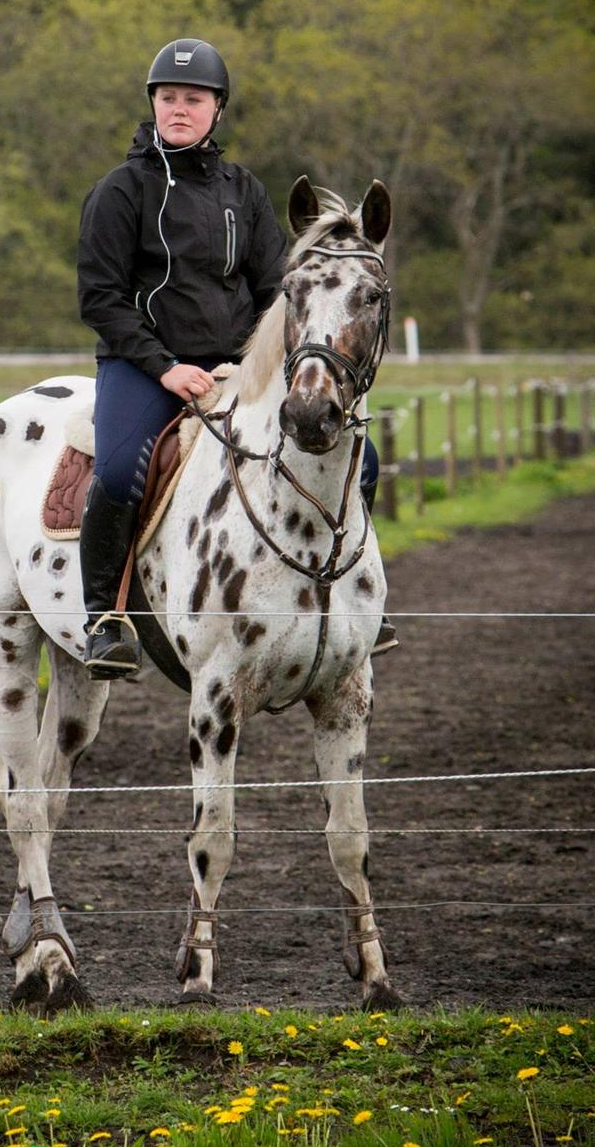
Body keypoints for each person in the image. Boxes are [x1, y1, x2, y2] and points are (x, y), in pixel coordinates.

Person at [76, 38, 395, 680]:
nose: (179, 109)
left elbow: (273, 292)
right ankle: (103, 619)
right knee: (115, 475)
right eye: (168, 98)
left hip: (235, 367)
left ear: (217, 109)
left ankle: (357, 597)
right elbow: (101, 298)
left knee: (362, 456)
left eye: (193, 99)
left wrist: (264, 364)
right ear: (154, 105)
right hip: (143, 369)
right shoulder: (120, 191)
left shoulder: (243, 191)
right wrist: (164, 367)